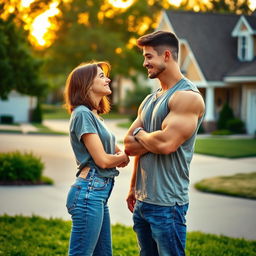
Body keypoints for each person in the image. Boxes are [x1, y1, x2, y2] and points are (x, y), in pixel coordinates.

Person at [124, 31, 205, 256]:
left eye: (149, 57)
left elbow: (166, 144)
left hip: (167, 205)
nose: (144, 63)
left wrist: (140, 132)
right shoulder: (150, 99)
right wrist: (133, 188)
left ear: (166, 55)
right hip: (142, 200)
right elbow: (129, 146)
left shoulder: (187, 97)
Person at [64, 61, 129, 256]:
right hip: (89, 192)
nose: (108, 79)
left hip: (98, 192)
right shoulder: (82, 114)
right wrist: (123, 155)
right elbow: (103, 160)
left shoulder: (95, 116)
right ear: (86, 84)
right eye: (101, 76)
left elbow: (115, 153)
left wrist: (119, 156)